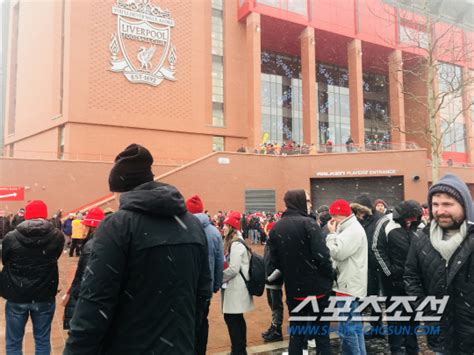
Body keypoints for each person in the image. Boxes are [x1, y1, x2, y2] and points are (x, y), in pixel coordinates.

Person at [64, 143, 212, 354]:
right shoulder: (192, 225)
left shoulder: (118, 226)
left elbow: (94, 304)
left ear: (119, 191)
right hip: (180, 345)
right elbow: (202, 293)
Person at [404, 174, 474, 355]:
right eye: (435, 204)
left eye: (448, 204)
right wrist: (427, 311)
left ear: (465, 205)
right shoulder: (421, 238)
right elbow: (411, 277)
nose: (440, 210)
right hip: (441, 337)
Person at [269, 190, 333, 354]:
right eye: (307, 200)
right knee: (321, 335)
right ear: (300, 202)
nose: (309, 203)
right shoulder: (309, 224)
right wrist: (329, 276)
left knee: (296, 335)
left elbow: (274, 260)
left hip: (294, 290)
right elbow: (322, 255)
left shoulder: (277, 227)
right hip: (317, 289)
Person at [1, 200, 64, 355]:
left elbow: (5, 260)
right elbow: (55, 256)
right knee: (42, 340)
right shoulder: (57, 236)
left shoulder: (11, 237)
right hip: (44, 294)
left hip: (16, 294)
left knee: (13, 342)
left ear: (26, 216)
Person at [372, 200, 423, 354]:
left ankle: (412, 349)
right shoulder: (385, 222)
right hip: (392, 282)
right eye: (409, 218)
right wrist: (390, 272)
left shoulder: (420, 225)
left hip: (414, 282)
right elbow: (376, 248)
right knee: (394, 317)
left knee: (413, 317)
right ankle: (396, 349)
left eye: (415, 218)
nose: (411, 222)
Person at [326, 199, 368, 355]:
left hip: (347, 285)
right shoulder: (350, 227)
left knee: (347, 328)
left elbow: (338, 253)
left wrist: (331, 235)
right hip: (350, 283)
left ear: (339, 215)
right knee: (354, 326)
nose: (332, 220)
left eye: (333, 216)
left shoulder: (352, 230)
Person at [185, 194, 224, 355]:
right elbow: (219, 260)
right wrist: (216, 284)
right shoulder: (214, 232)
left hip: (187, 287)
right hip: (206, 288)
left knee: (187, 324)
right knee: (203, 322)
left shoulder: (184, 229)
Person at [63, 207, 105, 330]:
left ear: (90, 227)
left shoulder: (91, 246)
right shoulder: (104, 241)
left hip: (87, 298)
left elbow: (85, 277)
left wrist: (74, 293)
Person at [221, 211, 254, 355]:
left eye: (226, 225)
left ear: (232, 227)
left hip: (236, 288)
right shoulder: (237, 243)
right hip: (237, 287)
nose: (223, 228)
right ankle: (239, 349)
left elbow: (234, 269)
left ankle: (238, 350)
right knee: (237, 319)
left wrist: (219, 278)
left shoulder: (236, 245)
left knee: (232, 319)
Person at [261, 224, 284, 343]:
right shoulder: (268, 245)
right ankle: (274, 326)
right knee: (272, 305)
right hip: (268, 280)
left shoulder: (278, 245)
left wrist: (270, 278)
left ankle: (277, 329)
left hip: (274, 280)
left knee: (276, 306)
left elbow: (281, 266)